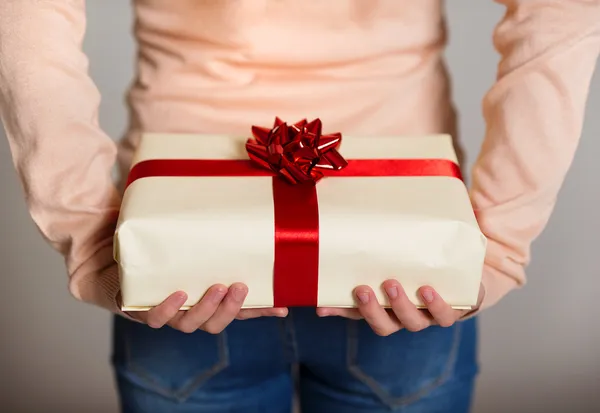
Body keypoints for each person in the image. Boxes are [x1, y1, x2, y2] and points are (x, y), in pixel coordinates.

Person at [1, 1, 598, 412]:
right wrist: (500, 241)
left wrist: (90, 242)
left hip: (180, 255)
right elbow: (556, 17)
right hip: (407, 249)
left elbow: (26, 21)